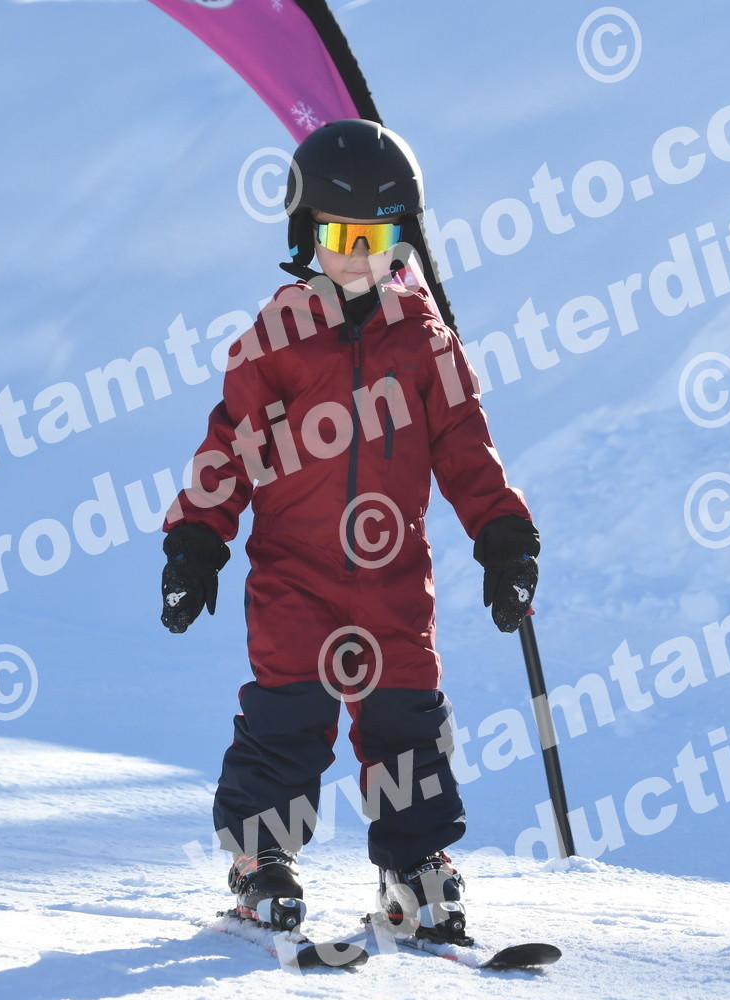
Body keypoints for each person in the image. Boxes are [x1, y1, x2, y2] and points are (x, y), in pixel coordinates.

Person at [158, 119, 539, 945]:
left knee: (407, 720)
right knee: (288, 717)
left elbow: (467, 449)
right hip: (294, 576)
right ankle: (261, 859)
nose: (359, 257)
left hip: (393, 581)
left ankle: (415, 861)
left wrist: (504, 536)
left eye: (377, 236)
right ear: (307, 235)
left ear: (403, 238)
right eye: (340, 237)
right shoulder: (277, 339)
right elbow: (230, 445)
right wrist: (196, 540)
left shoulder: (426, 342)